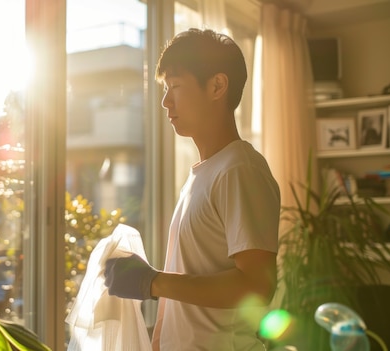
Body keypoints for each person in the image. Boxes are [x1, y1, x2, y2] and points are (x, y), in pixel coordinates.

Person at [104, 28, 281, 351]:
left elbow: (258, 286)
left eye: (176, 87)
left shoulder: (240, 169)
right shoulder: (202, 174)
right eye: (165, 88)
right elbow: (181, 302)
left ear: (217, 86)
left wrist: (151, 281)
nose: (165, 101)